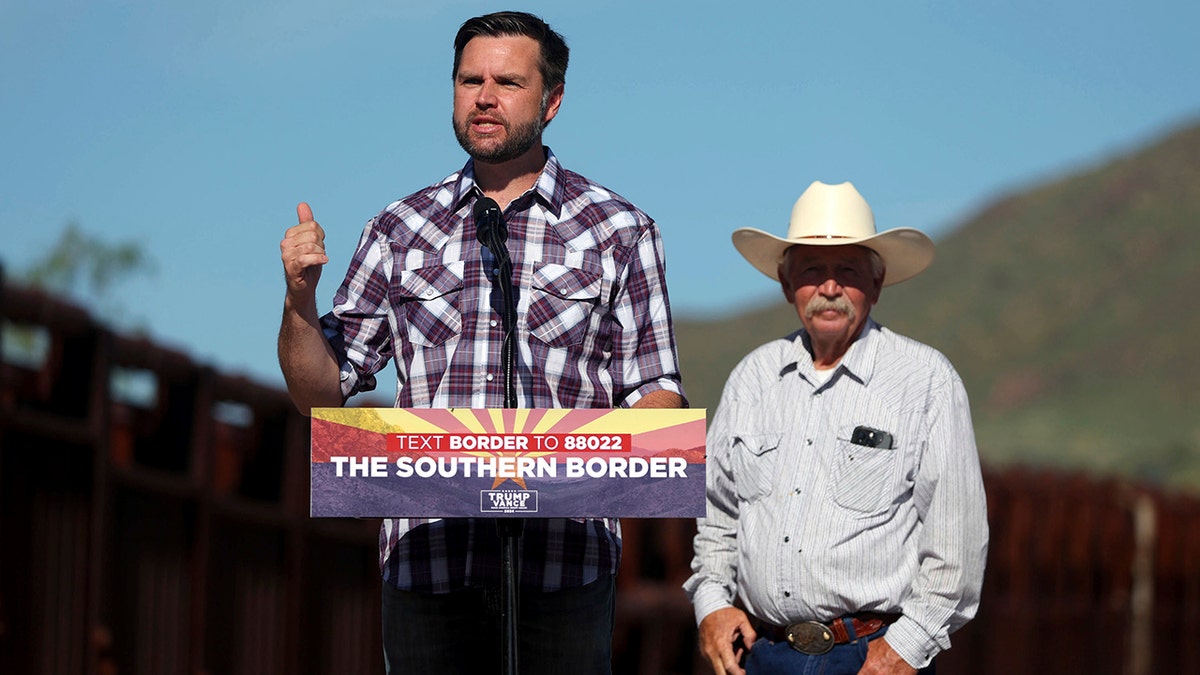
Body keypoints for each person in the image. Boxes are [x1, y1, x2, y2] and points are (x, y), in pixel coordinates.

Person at [277, 11, 686, 673]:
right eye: (470, 80)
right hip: (427, 570)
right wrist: (299, 299)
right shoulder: (398, 229)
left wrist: (556, 469)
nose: (485, 96)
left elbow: (657, 394)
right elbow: (318, 391)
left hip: (566, 569)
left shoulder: (621, 230)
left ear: (552, 100)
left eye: (508, 81)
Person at [684, 181, 987, 675]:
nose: (829, 288)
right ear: (786, 284)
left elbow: (957, 545)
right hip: (761, 654)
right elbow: (717, 514)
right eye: (811, 272)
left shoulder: (925, 381)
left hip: (872, 656)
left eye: (847, 270)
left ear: (877, 281)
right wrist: (712, 603)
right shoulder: (753, 378)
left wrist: (904, 650)